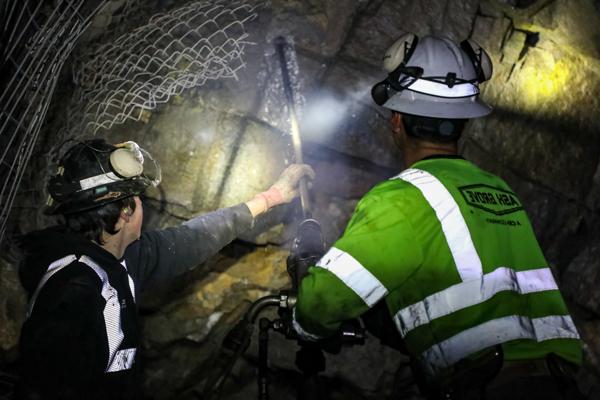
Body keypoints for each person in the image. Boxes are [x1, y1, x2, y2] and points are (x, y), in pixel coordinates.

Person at [293, 34, 584, 399]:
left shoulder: (402, 197)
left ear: (396, 121)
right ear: (462, 122)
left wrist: (305, 322)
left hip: (486, 389)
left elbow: (322, 302)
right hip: (557, 385)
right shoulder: (499, 190)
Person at [15, 138, 314, 400]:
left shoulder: (121, 257)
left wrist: (270, 198)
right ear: (124, 214)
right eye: (137, 198)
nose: (141, 206)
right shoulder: (74, 291)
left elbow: (193, 238)